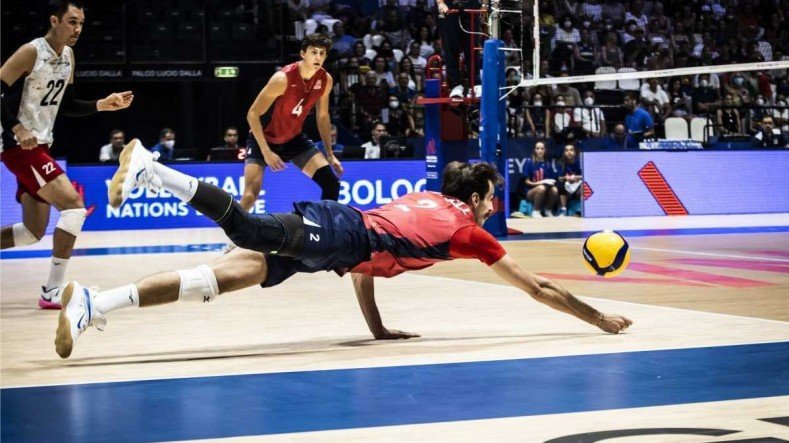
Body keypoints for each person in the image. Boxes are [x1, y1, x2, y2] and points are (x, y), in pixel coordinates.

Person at [55, 141, 632, 358]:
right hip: (338, 232)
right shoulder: (467, 232)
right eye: (489, 201)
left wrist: (377, 328)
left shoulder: (424, 198)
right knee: (248, 233)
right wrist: (597, 317)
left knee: (218, 279)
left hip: (339, 245)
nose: (490, 210)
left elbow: (367, 267)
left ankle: (93, 306)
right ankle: (154, 169)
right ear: (478, 197)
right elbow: (540, 288)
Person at [0, 0, 133, 309]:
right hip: (18, 146)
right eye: (72, 22)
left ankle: (51, 290)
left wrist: (102, 104)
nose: (78, 29)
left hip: (41, 145)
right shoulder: (31, 51)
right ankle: (52, 292)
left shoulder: (69, 56)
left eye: (82, 23)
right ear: (54, 21)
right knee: (74, 207)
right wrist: (17, 128)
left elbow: (67, 105)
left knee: (33, 232)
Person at [240, 33, 343, 215]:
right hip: (263, 139)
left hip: (294, 139)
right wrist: (266, 152)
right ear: (303, 53)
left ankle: (321, 231)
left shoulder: (325, 80)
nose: (318, 57)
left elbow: (323, 117)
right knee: (250, 196)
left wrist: (330, 154)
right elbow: (253, 114)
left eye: (322, 53)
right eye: (313, 52)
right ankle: (230, 239)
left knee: (331, 183)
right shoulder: (282, 79)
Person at [436, 0, 489, 98]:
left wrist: (484, 4)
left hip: (471, 5)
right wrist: (440, 3)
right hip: (449, 6)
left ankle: (475, 84)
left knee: (472, 46)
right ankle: (455, 85)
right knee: (450, 47)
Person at [523, 141, 558, 218]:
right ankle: (536, 211)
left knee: (554, 190)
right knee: (541, 188)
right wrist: (540, 182)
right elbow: (526, 182)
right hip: (531, 192)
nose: (540, 151)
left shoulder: (548, 164)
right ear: (534, 150)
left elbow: (552, 180)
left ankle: (548, 210)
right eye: (538, 148)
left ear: (545, 150)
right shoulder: (529, 162)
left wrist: (550, 182)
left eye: (542, 149)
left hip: (545, 190)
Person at [556, 143, 583, 217]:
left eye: (571, 150)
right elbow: (559, 178)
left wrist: (576, 177)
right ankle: (563, 210)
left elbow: (586, 176)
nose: (569, 152)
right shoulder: (561, 163)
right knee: (560, 184)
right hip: (567, 186)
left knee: (585, 186)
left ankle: (581, 209)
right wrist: (565, 178)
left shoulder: (580, 162)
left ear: (575, 152)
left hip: (578, 185)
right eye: (567, 150)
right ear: (564, 153)